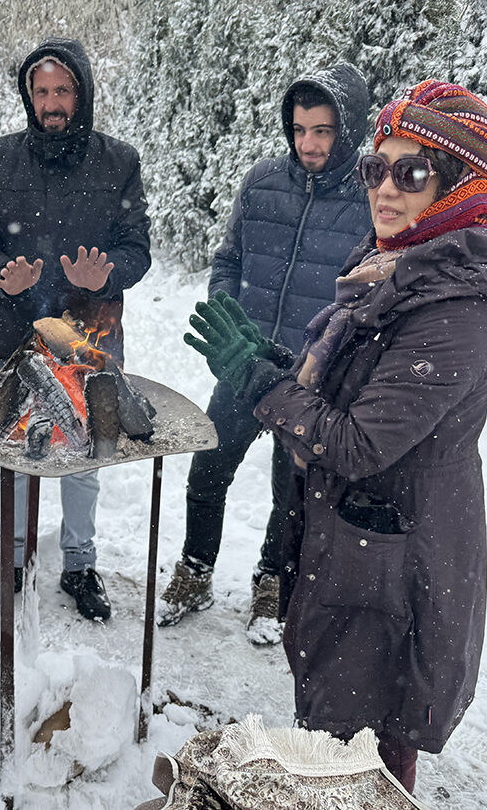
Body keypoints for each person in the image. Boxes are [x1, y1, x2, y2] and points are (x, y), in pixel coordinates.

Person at [183, 79, 487, 793]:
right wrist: (277, 362)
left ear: (459, 185)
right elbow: (349, 388)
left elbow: (357, 443)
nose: (386, 189)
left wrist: (257, 380)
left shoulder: (456, 304)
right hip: (366, 549)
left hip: (398, 573)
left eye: (413, 172)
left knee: (363, 764)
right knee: (336, 740)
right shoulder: (395, 266)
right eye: (379, 168)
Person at [157, 65, 372, 643]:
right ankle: (196, 569)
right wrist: (230, 321)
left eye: (323, 131)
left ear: (346, 132)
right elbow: (228, 259)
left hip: (307, 379)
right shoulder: (261, 183)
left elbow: (366, 298)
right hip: (245, 364)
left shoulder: (368, 204)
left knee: (290, 492)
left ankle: (272, 581)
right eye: (300, 129)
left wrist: (324, 357)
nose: (308, 143)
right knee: (207, 470)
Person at [0, 38, 151, 621]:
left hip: (91, 334)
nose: (51, 102)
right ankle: (14, 558)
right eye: (41, 91)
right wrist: (2, 277)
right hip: (14, 333)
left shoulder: (119, 162)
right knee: (16, 446)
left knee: (88, 449)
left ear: (82, 93)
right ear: (28, 97)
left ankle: (79, 561)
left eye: (61, 90)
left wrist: (107, 273)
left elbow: (137, 250)